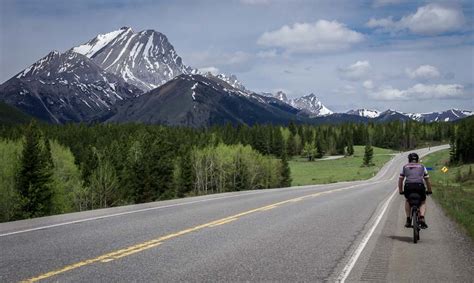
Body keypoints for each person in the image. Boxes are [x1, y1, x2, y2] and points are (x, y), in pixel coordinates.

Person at [398, 152, 433, 229]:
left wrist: (400, 190)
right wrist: (429, 190)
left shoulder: (405, 167)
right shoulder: (422, 167)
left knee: (407, 200)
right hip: (419, 186)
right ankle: (422, 217)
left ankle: (408, 219)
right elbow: (427, 180)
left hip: (408, 186)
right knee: (423, 201)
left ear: (409, 160)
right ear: (417, 160)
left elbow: (400, 180)